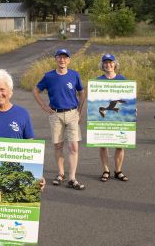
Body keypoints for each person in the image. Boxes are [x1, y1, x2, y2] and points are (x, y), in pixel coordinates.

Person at [33, 48, 87, 190]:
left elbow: (82, 93)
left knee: (74, 146)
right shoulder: (49, 76)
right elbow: (36, 90)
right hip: (55, 114)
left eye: (65, 57)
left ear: (68, 60)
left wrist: (79, 111)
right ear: (56, 59)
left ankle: (72, 177)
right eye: (59, 57)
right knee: (58, 145)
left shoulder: (74, 75)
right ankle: (61, 173)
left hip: (72, 113)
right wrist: (44, 106)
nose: (62, 60)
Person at [94, 54, 130, 182]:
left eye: (110, 62)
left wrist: (133, 109)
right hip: (103, 117)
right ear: (102, 65)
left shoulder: (122, 79)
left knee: (120, 145)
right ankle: (106, 170)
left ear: (115, 64)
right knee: (103, 144)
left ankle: (118, 171)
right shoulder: (98, 81)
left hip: (119, 116)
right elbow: (95, 100)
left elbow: (128, 99)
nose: (108, 64)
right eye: (105, 62)